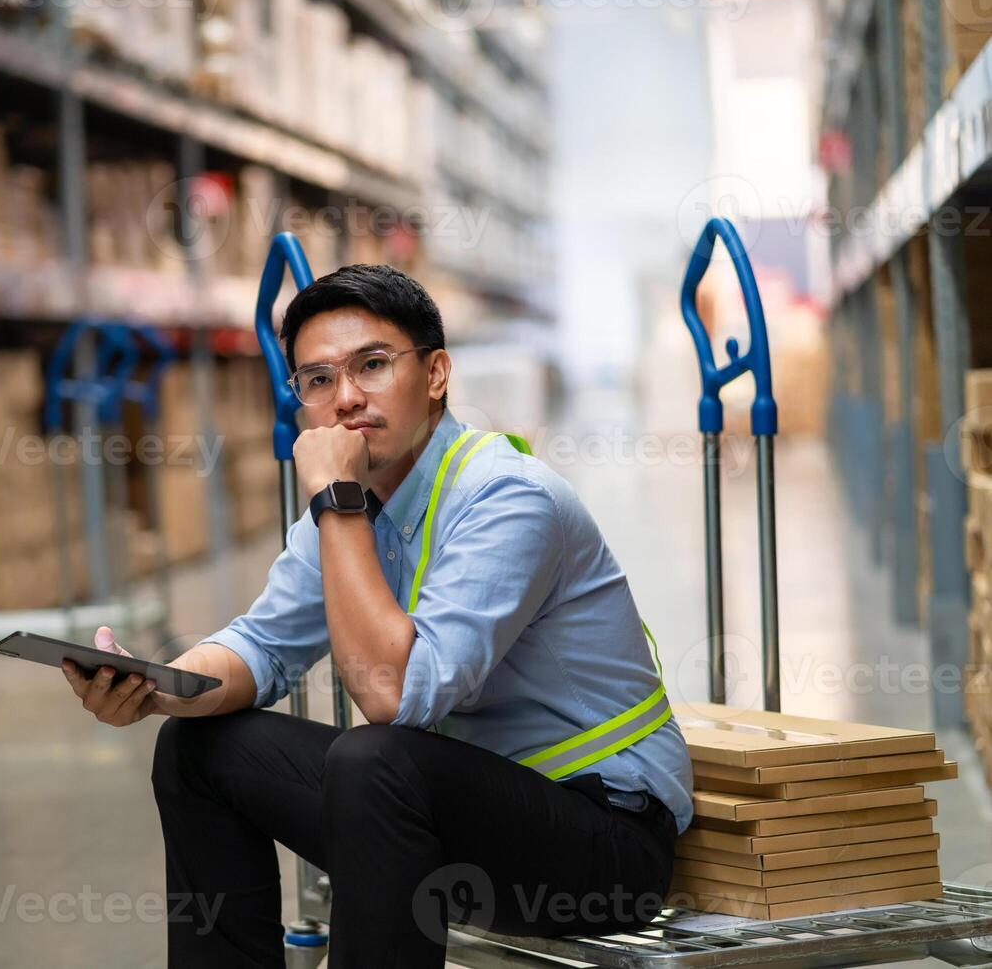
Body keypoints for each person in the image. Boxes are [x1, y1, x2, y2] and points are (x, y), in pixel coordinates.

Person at [60, 264, 693, 969]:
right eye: (318, 380)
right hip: (452, 824)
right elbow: (262, 647)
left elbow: (394, 695)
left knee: (376, 757)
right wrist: (158, 687)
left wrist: (337, 499)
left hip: (601, 847)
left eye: (373, 365)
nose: (347, 399)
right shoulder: (351, 505)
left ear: (437, 374)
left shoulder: (509, 499)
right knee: (196, 748)